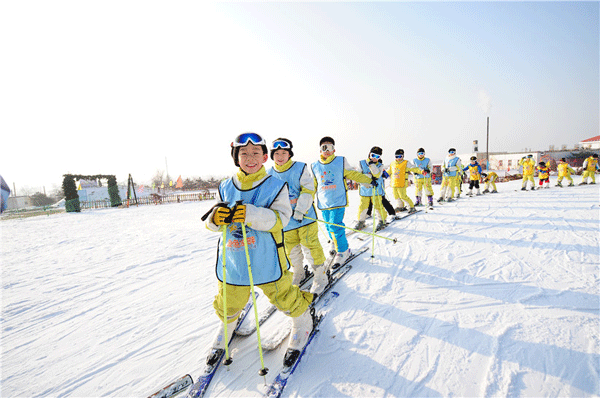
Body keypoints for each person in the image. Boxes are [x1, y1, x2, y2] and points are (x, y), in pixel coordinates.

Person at [204, 132, 314, 366]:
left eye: (256, 153)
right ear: (236, 158)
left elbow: (282, 219)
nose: (250, 158)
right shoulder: (225, 186)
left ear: (265, 157)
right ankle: (228, 324)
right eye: (244, 153)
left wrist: (252, 214)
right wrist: (215, 219)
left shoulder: (275, 185)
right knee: (229, 299)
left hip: (267, 256)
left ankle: (302, 321)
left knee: (282, 295)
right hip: (234, 258)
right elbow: (211, 223)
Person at [267, 138, 328, 295]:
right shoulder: (269, 174)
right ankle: (299, 273)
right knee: (291, 250)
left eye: (284, 153)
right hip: (286, 222)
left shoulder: (299, 168)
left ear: (289, 154)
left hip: (304, 217)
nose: (280, 156)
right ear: (272, 155)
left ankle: (321, 276)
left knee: (310, 246)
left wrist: (300, 210)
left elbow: (308, 189)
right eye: (277, 153)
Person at [311, 136, 373, 269]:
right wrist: (306, 200)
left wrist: (367, 180)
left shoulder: (340, 161)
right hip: (324, 202)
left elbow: (353, 174)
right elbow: (312, 186)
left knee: (335, 226)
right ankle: (335, 243)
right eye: (324, 148)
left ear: (334, 149)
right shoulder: (315, 166)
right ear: (320, 150)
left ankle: (343, 251)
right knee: (328, 226)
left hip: (338, 200)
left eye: (330, 148)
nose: (327, 151)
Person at [354, 147, 388, 231]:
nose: (374, 158)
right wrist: (366, 182)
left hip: (376, 190)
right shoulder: (361, 163)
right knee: (363, 206)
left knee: (378, 206)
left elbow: (376, 175)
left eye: (377, 157)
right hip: (365, 190)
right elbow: (358, 176)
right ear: (369, 154)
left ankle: (382, 220)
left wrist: (372, 165)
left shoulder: (380, 165)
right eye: (373, 155)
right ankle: (361, 221)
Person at [387, 148, 420, 213]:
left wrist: (421, 171)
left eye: (400, 156)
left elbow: (413, 168)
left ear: (403, 156)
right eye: (397, 156)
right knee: (396, 195)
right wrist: (382, 174)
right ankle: (400, 206)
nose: (398, 158)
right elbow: (388, 171)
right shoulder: (392, 163)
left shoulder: (406, 163)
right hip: (394, 183)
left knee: (403, 196)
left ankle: (411, 207)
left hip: (402, 182)